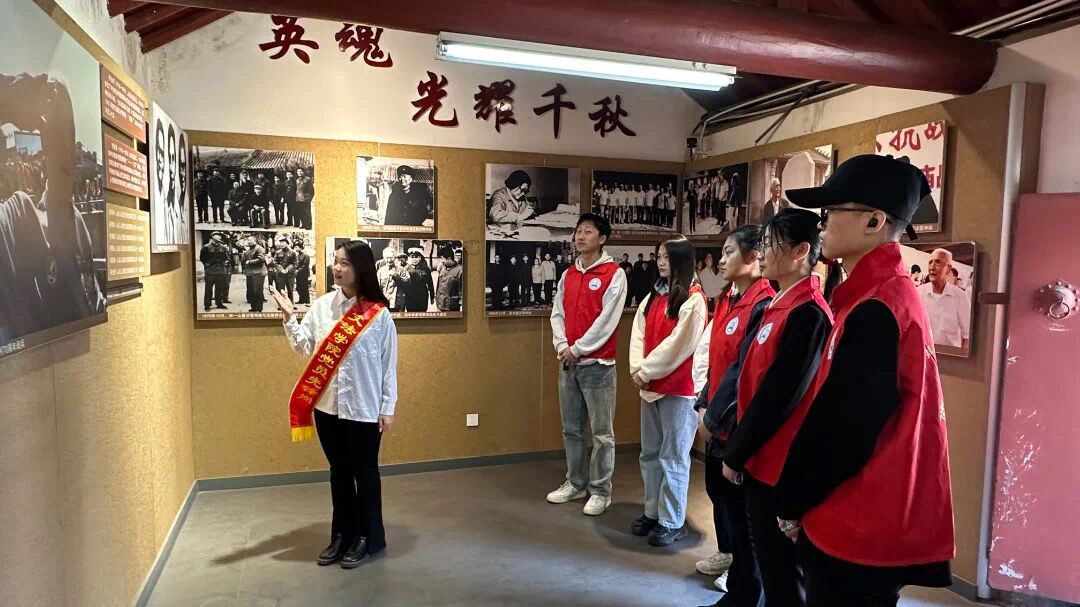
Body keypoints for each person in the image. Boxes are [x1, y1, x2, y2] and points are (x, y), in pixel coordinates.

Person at [775, 154, 955, 607]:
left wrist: (792, 501)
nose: (822, 223)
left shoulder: (877, 306)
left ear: (874, 221)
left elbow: (846, 428)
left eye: (831, 211)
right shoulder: (880, 293)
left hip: (858, 514)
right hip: (864, 508)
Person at [721, 209, 839, 606]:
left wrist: (736, 452)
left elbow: (779, 396)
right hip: (761, 460)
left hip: (780, 466)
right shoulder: (779, 305)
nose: (763, 252)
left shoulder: (809, 313)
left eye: (770, 244)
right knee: (770, 565)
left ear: (801, 251)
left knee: (784, 576)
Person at [274, 240, 398, 570]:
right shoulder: (321, 307)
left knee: (365, 474)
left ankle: (367, 537)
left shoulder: (379, 315)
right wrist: (289, 317)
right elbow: (303, 347)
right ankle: (341, 534)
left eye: (344, 263)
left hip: (364, 409)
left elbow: (388, 365)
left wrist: (388, 407)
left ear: (361, 268)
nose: (337, 268)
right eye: (335, 261)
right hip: (328, 409)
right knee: (339, 473)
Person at [693, 226, 775, 607]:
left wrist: (714, 418)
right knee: (721, 498)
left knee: (746, 520)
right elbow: (717, 361)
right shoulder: (728, 297)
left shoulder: (764, 303)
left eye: (729, 252)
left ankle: (746, 587)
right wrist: (703, 404)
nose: (721, 260)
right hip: (717, 420)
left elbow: (745, 371)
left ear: (753, 257)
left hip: (737, 427)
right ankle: (734, 567)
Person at [629, 235, 708, 547]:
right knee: (650, 453)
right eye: (659, 256)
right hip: (650, 386)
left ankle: (672, 520)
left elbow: (679, 345)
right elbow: (638, 333)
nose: (661, 262)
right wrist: (638, 368)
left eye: (667, 257)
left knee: (673, 455)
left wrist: (645, 371)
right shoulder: (654, 295)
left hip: (677, 389)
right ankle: (653, 512)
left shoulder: (694, 299)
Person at [548, 213, 628, 515]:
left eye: (588, 232)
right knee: (571, 430)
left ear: (602, 238)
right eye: (578, 231)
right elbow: (557, 313)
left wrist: (578, 349)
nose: (580, 237)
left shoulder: (614, 274)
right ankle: (575, 482)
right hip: (568, 364)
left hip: (598, 366)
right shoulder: (569, 274)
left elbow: (606, 322)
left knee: (602, 434)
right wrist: (562, 346)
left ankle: (601, 491)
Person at [918, 248, 970, 349]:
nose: (932, 267)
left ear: (948, 269)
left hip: (949, 356)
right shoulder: (919, 293)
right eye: (930, 262)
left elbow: (967, 336)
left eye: (937, 262)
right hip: (924, 354)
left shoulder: (960, 296)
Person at [199, 232, 230, 310]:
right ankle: (207, 304)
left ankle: (219, 303)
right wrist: (207, 265)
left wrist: (225, 261)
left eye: (220, 235)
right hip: (210, 271)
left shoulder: (223, 247)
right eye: (217, 235)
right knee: (208, 288)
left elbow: (226, 257)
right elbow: (202, 258)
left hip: (221, 270)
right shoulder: (206, 247)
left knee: (220, 288)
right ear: (212, 236)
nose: (219, 237)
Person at [401, 247, 435, 313]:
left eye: (416, 257)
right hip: (410, 296)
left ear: (420, 258)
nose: (414, 259)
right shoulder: (406, 269)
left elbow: (430, 283)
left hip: (422, 297)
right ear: (410, 258)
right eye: (412, 257)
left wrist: (432, 296)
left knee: (422, 314)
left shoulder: (426, 269)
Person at [241, 236, 268, 312]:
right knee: (251, 291)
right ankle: (253, 307)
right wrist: (244, 267)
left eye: (250, 240)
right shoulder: (247, 250)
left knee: (257, 291)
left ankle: (259, 308)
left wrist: (249, 262)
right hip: (250, 273)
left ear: (255, 240)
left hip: (258, 273)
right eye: (248, 240)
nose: (249, 241)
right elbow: (243, 260)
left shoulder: (259, 248)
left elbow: (261, 259)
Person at [273, 238, 298, 303]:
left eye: (283, 243)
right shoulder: (278, 252)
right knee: (280, 290)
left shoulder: (293, 252)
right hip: (280, 274)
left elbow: (295, 263)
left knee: (290, 290)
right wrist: (281, 269)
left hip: (290, 274)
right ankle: (281, 304)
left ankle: (290, 303)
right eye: (280, 243)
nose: (281, 244)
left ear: (287, 243)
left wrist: (287, 269)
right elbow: (275, 262)